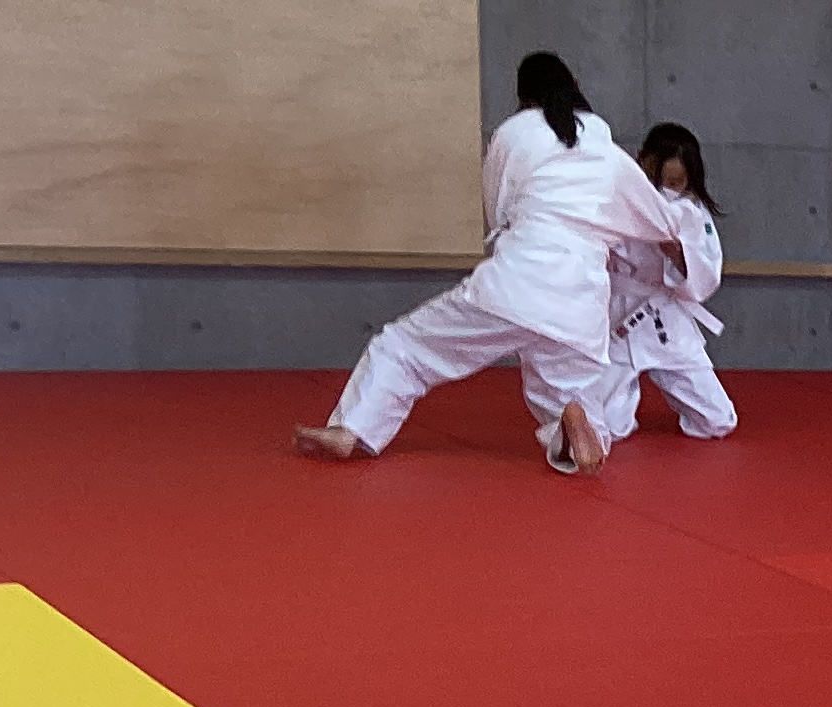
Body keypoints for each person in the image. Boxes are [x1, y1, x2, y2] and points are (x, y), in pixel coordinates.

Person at [296, 54, 688, 476]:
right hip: (582, 299)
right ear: (575, 85)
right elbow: (664, 225)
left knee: (405, 347)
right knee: (570, 391)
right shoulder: (608, 153)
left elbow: (499, 210)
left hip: (518, 280)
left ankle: (352, 428)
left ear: (523, 96)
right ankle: (577, 427)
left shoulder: (516, 133)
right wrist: (681, 262)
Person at [578, 121, 738, 452]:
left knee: (718, 421)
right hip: (622, 316)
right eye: (662, 179)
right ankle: (620, 402)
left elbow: (706, 273)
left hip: (669, 319)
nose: (669, 190)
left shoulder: (693, 212)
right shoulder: (617, 201)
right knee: (605, 426)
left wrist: (679, 256)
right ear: (643, 161)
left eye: (677, 182)